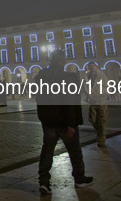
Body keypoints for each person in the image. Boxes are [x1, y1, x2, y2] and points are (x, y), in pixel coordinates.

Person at [35, 49, 93, 196]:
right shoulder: (69, 77)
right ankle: (79, 178)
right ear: (63, 61)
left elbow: (39, 99)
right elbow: (70, 103)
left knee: (47, 152)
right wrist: (71, 124)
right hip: (64, 122)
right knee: (74, 151)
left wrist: (43, 117)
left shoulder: (41, 76)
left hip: (48, 122)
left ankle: (43, 182)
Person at [84, 62, 109, 147]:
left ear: (96, 67)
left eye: (93, 66)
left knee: (101, 120)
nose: (92, 68)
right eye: (90, 66)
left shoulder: (102, 75)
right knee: (93, 120)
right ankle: (101, 133)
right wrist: (88, 97)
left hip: (101, 101)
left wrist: (103, 94)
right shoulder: (87, 77)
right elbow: (85, 87)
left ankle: (101, 139)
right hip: (92, 101)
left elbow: (107, 86)